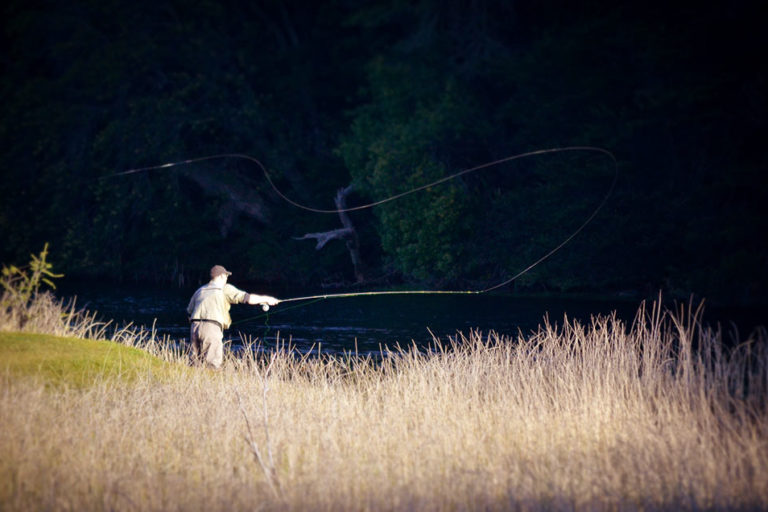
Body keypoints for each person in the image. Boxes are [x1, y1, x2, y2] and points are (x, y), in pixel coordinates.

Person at [187, 265, 279, 369]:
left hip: (194, 327)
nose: (227, 278)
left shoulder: (200, 290)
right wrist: (268, 299)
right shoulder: (224, 288)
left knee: (194, 364)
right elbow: (248, 298)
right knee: (212, 365)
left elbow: (189, 312)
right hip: (212, 328)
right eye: (226, 276)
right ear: (221, 276)